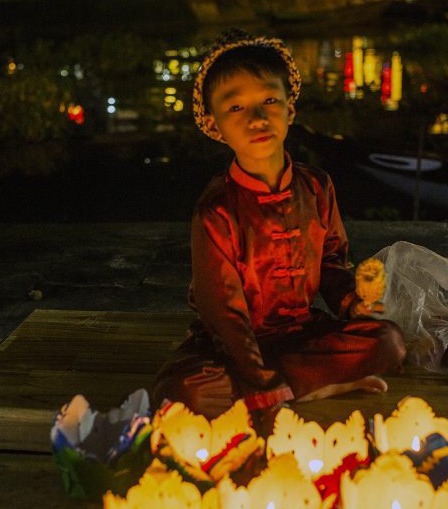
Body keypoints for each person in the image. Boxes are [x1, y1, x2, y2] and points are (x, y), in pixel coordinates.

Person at [151, 29, 406, 425]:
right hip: (232, 346)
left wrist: (352, 303)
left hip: (302, 334)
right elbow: (223, 314)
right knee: (187, 391)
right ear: (213, 125)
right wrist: (259, 377)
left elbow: (333, 262)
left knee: (388, 341)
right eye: (235, 108)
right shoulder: (216, 210)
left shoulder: (317, 187)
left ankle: (285, 388)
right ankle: (304, 386)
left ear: (290, 109)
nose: (256, 118)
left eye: (269, 100)